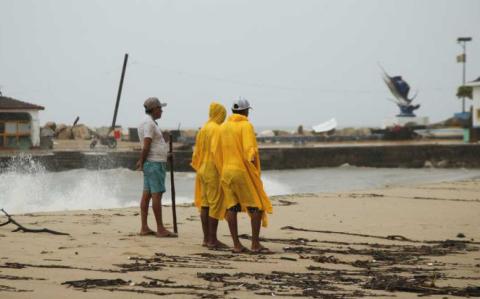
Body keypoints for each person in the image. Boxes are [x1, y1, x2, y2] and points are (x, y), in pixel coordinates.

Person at [215, 98, 272, 253]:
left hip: (226, 171)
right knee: (256, 207)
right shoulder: (246, 125)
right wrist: (254, 172)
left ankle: (237, 245)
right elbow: (250, 151)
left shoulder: (223, 126)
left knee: (232, 207)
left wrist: (222, 169)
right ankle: (255, 244)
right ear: (245, 111)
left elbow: (216, 151)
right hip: (241, 171)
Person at [136, 97, 176, 238]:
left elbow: (152, 145)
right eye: (160, 108)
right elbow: (147, 144)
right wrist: (141, 160)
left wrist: (166, 154)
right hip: (154, 163)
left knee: (147, 195)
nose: (162, 111)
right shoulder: (149, 124)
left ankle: (144, 227)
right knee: (156, 195)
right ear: (153, 109)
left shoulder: (148, 123)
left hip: (153, 162)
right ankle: (160, 228)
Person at [191, 102, 228, 249]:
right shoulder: (217, 129)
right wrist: (222, 170)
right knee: (215, 204)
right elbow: (217, 151)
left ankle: (206, 239)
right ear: (219, 114)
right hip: (213, 169)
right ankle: (213, 240)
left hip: (202, 168)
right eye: (223, 115)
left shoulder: (204, 128)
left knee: (205, 204)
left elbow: (197, 152)